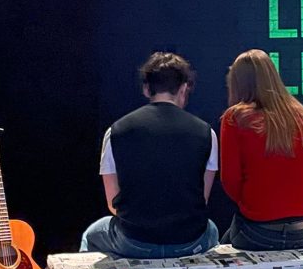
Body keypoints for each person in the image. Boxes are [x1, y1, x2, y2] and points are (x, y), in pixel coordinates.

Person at [80, 51, 219, 258]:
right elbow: (201, 200)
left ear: (146, 89)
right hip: (188, 240)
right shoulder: (207, 132)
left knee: (91, 235)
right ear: (183, 88)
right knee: (212, 229)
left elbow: (113, 203)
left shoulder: (116, 131)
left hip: (133, 240)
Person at [220, 49, 303, 250]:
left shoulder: (235, 118)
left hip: (259, 230)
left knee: (223, 242)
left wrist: (256, 203)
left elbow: (230, 180)